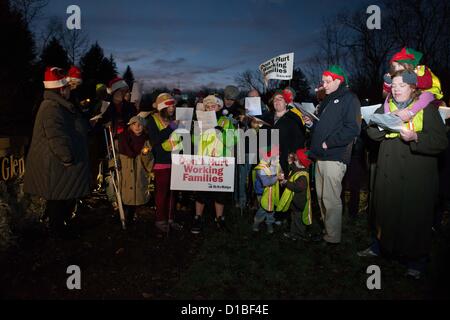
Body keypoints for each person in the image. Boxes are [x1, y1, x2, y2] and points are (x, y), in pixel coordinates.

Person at [358, 70, 448, 279]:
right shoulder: (386, 106)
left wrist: (416, 137)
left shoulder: (427, 109)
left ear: (412, 87)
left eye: (402, 85)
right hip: (387, 172)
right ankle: (382, 248)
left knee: (414, 218)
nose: (396, 89)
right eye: (394, 85)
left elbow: (441, 142)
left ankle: (416, 260)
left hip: (416, 175)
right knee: (385, 211)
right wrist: (382, 124)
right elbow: (371, 131)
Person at [24, 67, 90, 239]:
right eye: (67, 88)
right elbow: (56, 135)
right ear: (61, 89)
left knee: (61, 196)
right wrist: (66, 157)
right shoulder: (51, 107)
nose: (69, 90)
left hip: (57, 162)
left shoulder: (57, 105)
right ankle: (57, 231)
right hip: (55, 163)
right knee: (57, 198)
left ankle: (60, 227)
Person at [303, 65, 361, 245]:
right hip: (320, 155)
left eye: (328, 81)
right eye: (323, 81)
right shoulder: (328, 100)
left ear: (339, 80)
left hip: (334, 155)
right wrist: (311, 125)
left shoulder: (349, 99)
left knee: (330, 198)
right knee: (321, 196)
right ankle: (327, 231)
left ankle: (333, 238)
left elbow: (353, 128)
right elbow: (322, 126)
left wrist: (330, 143)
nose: (324, 85)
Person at [191, 95, 236, 234]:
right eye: (208, 106)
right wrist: (198, 132)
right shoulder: (200, 122)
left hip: (220, 162)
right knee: (201, 192)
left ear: (219, 107)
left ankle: (219, 218)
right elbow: (193, 141)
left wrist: (220, 131)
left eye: (213, 106)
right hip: (204, 161)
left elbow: (232, 141)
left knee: (220, 192)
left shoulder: (226, 122)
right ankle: (198, 217)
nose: (210, 108)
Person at [147, 93, 183, 233]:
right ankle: (160, 220)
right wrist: (171, 128)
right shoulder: (153, 119)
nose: (172, 107)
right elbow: (155, 140)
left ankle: (170, 219)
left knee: (173, 192)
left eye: (173, 105)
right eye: (169, 105)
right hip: (161, 161)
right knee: (162, 193)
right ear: (162, 106)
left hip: (175, 160)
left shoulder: (173, 119)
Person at [383, 47, 444, 122]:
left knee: (426, 95)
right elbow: (388, 91)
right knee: (389, 97)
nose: (396, 69)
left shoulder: (420, 70)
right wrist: (388, 83)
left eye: (399, 65)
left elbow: (428, 83)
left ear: (407, 64)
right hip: (409, 96)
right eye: (394, 66)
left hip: (427, 91)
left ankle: (411, 112)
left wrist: (414, 80)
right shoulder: (396, 75)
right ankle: (387, 116)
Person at [117, 116, 154, 225]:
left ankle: (132, 215)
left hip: (139, 172)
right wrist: (113, 164)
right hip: (125, 171)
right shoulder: (122, 138)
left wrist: (145, 154)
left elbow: (149, 162)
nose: (137, 127)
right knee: (125, 194)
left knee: (136, 193)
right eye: (134, 124)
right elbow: (115, 155)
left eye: (140, 125)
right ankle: (123, 213)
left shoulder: (146, 141)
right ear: (130, 126)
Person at [278, 149, 320, 242]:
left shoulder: (303, 176)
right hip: (295, 202)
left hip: (299, 203)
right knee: (293, 218)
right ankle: (293, 233)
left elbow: (298, 187)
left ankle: (300, 235)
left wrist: (286, 182)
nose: (294, 161)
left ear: (301, 163)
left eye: (295, 160)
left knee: (298, 220)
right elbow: (294, 167)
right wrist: (290, 161)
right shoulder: (300, 168)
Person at [252, 146, 282, 234]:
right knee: (263, 208)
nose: (278, 158)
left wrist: (282, 179)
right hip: (262, 192)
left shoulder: (275, 164)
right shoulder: (261, 168)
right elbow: (265, 182)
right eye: (276, 156)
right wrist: (277, 177)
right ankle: (256, 222)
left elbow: (280, 171)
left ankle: (269, 222)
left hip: (272, 191)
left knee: (271, 208)